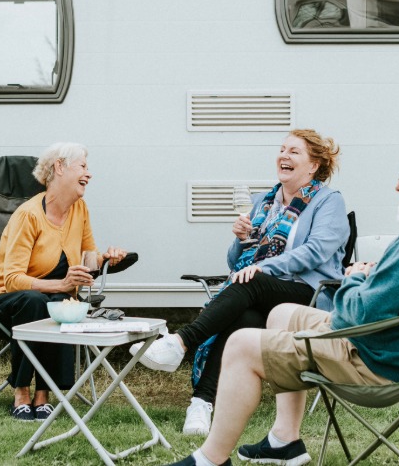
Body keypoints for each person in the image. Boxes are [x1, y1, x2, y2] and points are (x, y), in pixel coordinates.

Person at [164, 142, 399, 466]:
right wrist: (373, 276)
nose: (398, 187)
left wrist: (355, 277)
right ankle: (284, 438)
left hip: (375, 361)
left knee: (241, 344)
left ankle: (209, 459)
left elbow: (351, 318)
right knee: (281, 314)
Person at [133, 129, 348, 436]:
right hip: (260, 295)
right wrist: (240, 239)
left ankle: (181, 341)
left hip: (309, 296)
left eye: (294, 152)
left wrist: (266, 268)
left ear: (313, 165)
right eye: (282, 149)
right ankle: (201, 403)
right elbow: (237, 263)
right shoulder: (265, 201)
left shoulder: (329, 201)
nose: (284, 156)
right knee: (243, 318)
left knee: (253, 282)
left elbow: (316, 252)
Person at [0, 143, 127, 422]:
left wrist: (107, 257)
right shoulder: (28, 214)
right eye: (83, 166)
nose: (89, 174)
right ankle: (21, 391)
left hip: (50, 297)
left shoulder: (80, 209)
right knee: (38, 301)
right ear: (59, 167)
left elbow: (88, 259)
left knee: (62, 304)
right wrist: (61, 285)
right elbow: (12, 280)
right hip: (4, 299)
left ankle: (44, 393)